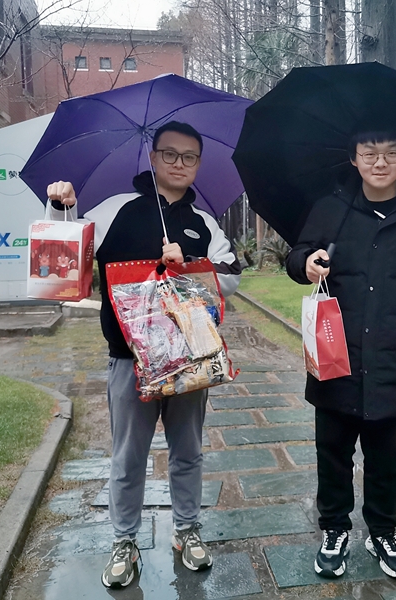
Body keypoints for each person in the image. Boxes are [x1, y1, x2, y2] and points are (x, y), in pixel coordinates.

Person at [46, 121, 242, 589]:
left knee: (188, 451)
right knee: (127, 457)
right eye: (169, 154)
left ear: (198, 164)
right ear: (153, 158)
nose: (179, 163)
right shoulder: (116, 209)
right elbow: (67, 248)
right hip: (128, 360)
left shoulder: (204, 224)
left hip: (189, 360)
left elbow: (232, 275)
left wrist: (188, 264)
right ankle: (124, 540)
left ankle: (187, 529)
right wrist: (61, 206)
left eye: (189, 157)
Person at [285, 131, 396, 581]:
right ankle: (334, 529)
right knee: (332, 451)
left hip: (393, 353)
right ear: (354, 159)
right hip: (335, 352)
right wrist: (306, 263)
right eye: (369, 153)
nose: (380, 162)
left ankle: (383, 531)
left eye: (391, 153)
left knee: (385, 457)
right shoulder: (332, 207)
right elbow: (297, 255)